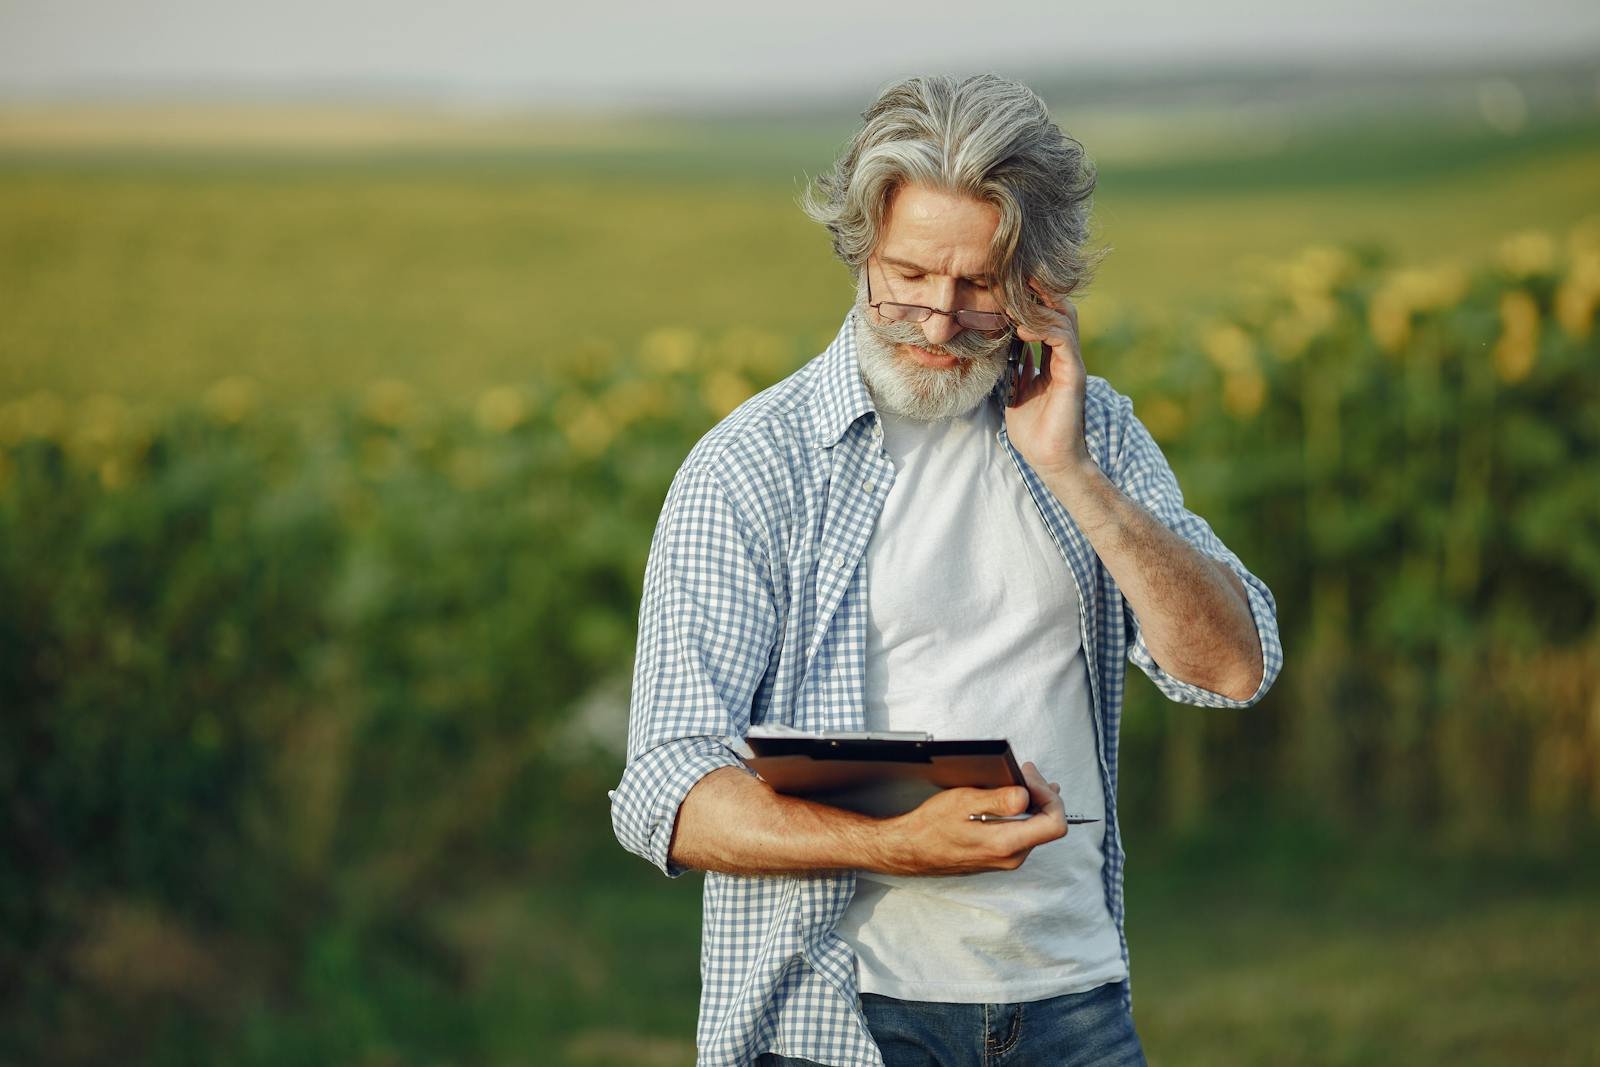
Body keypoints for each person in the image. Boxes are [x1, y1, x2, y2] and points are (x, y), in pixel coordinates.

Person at [609, 73, 1283, 1067]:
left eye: (977, 286)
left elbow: (1231, 667)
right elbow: (664, 791)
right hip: (836, 1014)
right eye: (909, 274)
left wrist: (1072, 469)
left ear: (1037, 285)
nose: (935, 318)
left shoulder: (1096, 435)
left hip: (1070, 1001)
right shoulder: (749, 469)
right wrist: (890, 844)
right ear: (859, 248)